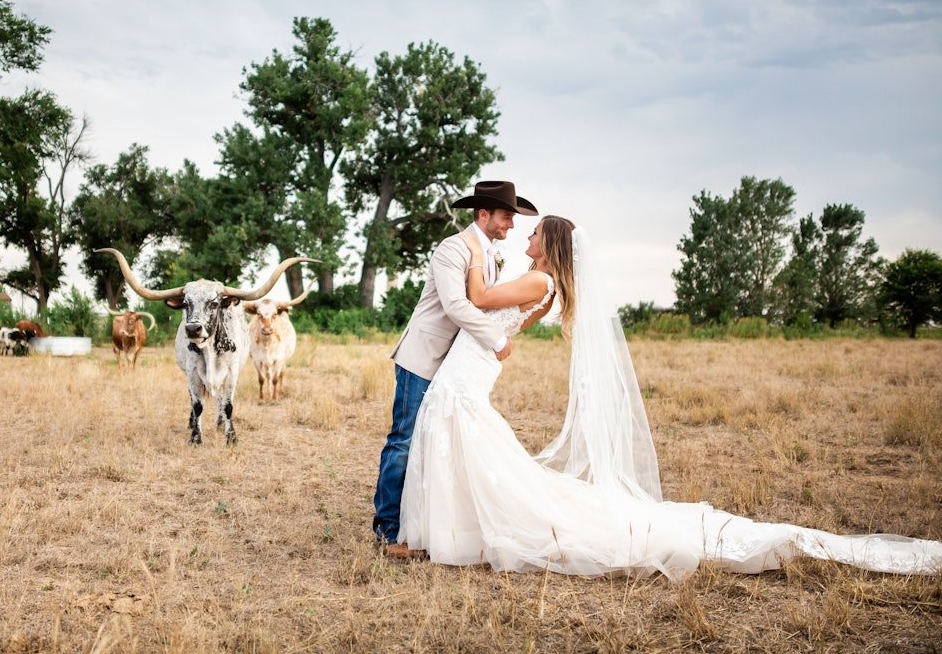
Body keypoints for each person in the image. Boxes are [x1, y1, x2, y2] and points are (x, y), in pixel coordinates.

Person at [397, 215, 942, 577]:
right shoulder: (543, 282)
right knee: (464, 448)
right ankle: (446, 532)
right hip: (469, 371)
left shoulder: (539, 283)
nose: (526, 239)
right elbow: (497, 316)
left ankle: (450, 535)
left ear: (553, 245)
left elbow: (480, 297)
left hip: (468, 376)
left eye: (535, 234)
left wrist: (472, 248)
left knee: (478, 452)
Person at [373, 181, 539, 558]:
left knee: (432, 442)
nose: (511, 224)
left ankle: (420, 523)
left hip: (453, 364)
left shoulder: (490, 254)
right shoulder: (453, 248)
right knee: (405, 440)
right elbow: (456, 305)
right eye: (507, 216)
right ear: (484, 214)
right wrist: (497, 341)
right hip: (425, 355)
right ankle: (387, 532)